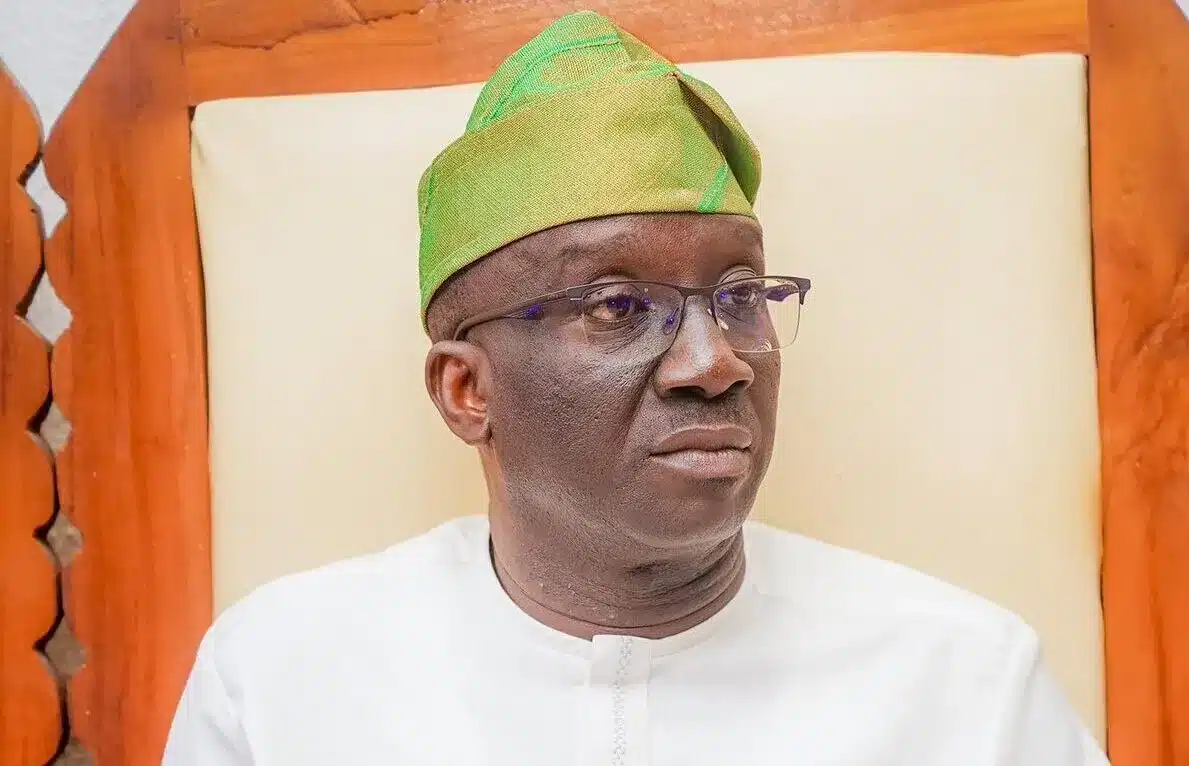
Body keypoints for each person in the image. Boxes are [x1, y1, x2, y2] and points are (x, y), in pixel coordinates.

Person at [162, 10, 1108, 765]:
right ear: (466, 390)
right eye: (618, 307)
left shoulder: (967, 688)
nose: (716, 362)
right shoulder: (282, 683)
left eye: (741, 297)